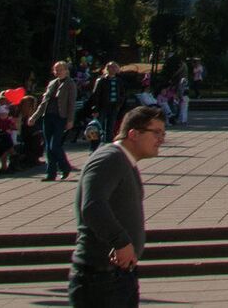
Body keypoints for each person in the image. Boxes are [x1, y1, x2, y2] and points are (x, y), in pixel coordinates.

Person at [70, 104, 163, 307]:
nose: (161, 139)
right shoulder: (109, 158)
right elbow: (92, 206)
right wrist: (120, 241)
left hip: (116, 276)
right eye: (156, 132)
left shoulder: (124, 161)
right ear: (133, 134)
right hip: (100, 277)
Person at [32, 61, 79, 183]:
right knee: (48, 146)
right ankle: (51, 173)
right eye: (56, 70)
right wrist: (34, 116)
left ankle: (65, 167)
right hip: (48, 116)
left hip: (61, 117)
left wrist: (70, 120)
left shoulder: (70, 84)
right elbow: (44, 102)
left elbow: (71, 104)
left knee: (55, 145)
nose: (58, 72)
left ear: (66, 70)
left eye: (60, 69)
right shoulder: (52, 83)